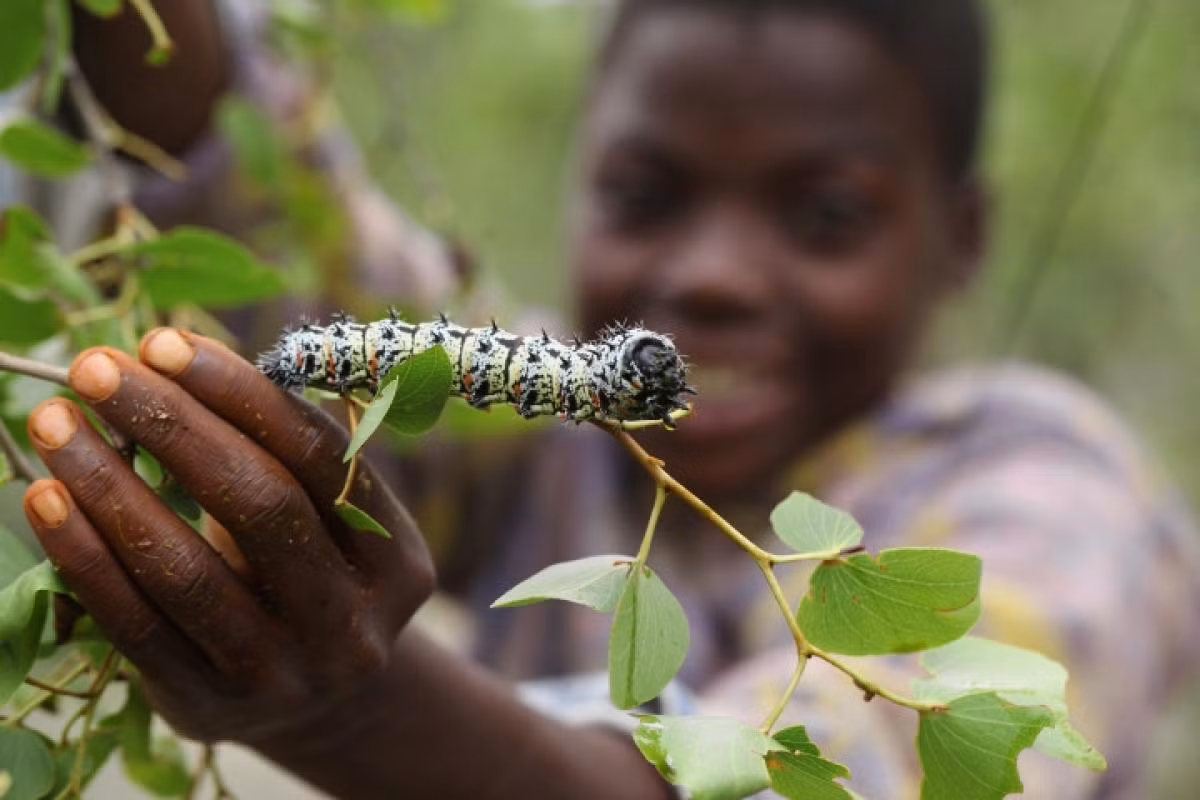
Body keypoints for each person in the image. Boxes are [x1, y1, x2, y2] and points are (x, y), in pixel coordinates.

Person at [15, 0, 1200, 797]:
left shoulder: (1057, 497)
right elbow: (277, 227)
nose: (716, 274)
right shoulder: (563, 435)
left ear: (963, 237)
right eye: (646, 194)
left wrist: (353, 715)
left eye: (826, 215)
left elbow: (814, 772)